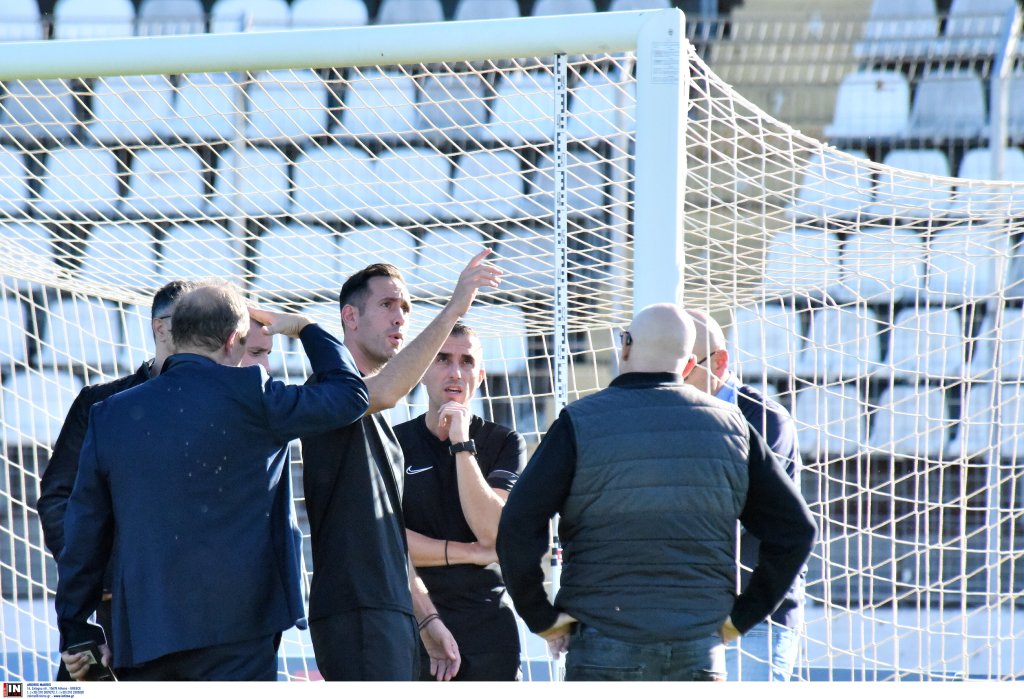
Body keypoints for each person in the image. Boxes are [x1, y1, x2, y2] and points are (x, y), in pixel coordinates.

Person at [55, 282, 370, 681]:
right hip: (242, 629)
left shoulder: (109, 414)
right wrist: (307, 328)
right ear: (232, 339)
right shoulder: (254, 396)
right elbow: (350, 394)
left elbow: (84, 534)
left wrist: (76, 629)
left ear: (176, 333)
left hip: (146, 630)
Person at [496, 303, 817, 682]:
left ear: (625, 345)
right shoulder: (734, 426)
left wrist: (541, 616)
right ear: (688, 363)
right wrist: (742, 617)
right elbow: (796, 531)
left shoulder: (579, 421)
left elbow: (518, 524)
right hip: (698, 645)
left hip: (602, 638)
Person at [300, 251, 502, 681]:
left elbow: (387, 538)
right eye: (387, 305)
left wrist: (425, 619)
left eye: (407, 308)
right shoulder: (330, 393)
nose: (400, 318)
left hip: (389, 614)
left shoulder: (379, 421)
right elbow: (385, 392)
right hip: (358, 613)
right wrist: (454, 308)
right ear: (350, 317)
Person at [37, 279, 197, 679]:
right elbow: (58, 498)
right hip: (112, 608)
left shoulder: (224, 406)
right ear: (159, 328)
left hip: (197, 613)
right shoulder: (99, 403)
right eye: (190, 321)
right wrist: (103, 576)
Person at [395, 323, 527, 681]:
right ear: (422, 370)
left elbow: (494, 533)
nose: (455, 372)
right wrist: (471, 552)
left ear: (480, 376)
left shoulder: (504, 442)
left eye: (466, 361)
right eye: (442, 359)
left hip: (489, 632)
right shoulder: (394, 443)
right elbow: (388, 543)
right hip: (416, 626)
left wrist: (461, 444)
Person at [682, 308, 807, 682]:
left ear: (719, 362)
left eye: (686, 366)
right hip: (679, 616)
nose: (674, 376)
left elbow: (736, 513)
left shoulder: (764, 419)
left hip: (752, 621)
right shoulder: (664, 413)